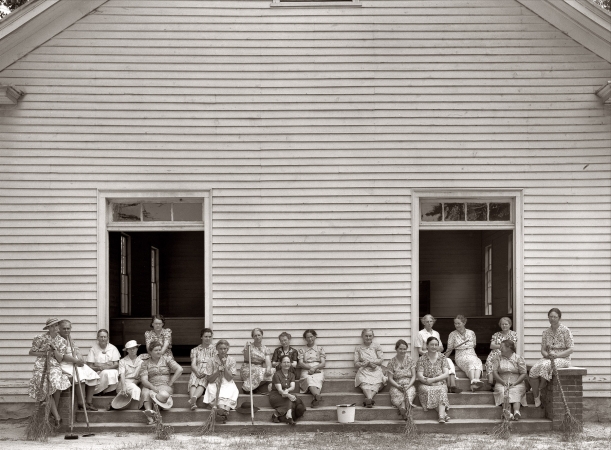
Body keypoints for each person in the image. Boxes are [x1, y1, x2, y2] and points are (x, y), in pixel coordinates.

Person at [28, 318, 71, 427]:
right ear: (48, 328)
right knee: (44, 385)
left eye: (56, 325)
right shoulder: (39, 338)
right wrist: (45, 352)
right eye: (52, 326)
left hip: (54, 365)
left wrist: (54, 349)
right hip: (41, 365)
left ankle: (52, 412)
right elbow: (31, 352)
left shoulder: (62, 341)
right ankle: (57, 417)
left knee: (56, 383)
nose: (54, 328)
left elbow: (60, 359)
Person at [528, 308, 574, 407]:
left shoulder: (565, 330)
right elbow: (543, 350)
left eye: (555, 317)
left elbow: (570, 349)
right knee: (533, 370)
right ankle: (536, 397)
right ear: (548, 317)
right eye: (550, 316)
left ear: (559, 318)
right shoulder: (546, 332)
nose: (552, 319)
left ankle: (540, 387)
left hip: (563, 359)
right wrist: (547, 355)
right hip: (548, 358)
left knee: (545, 365)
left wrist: (557, 355)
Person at [57, 319, 100, 411]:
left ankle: (89, 402)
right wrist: (76, 361)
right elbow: (61, 356)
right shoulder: (58, 340)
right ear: (59, 329)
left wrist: (80, 358)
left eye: (68, 328)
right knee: (79, 375)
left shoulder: (69, 338)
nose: (66, 330)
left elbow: (76, 350)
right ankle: (81, 402)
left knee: (91, 374)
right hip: (64, 364)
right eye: (64, 328)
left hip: (75, 362)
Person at [415, 314, 462, 393]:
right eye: (427, 322)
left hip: (437, 355)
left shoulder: (436, 333)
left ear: (433, 322)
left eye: (431, 321)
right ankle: (449, 386)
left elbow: (441, 348)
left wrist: (438, 350)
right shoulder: (420, 334)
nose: (429, 323)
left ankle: (452, 386)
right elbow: (419, 351)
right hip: (427, 357)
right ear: (423, 322)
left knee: (449, 361)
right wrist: (430, 354)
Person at [140, 340, 183, 425]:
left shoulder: (167, 359)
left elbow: (180, 369)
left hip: (165, 385)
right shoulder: (145, 363)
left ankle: (155, 413)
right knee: (145, 391)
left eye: (159, 349)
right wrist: (152, 387)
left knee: (161, 393)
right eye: (156, 350)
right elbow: (144, 380)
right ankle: (149, 413)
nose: (159, 352)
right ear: (150, 352)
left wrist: (171, 381)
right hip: (151, 385)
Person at [202, 339, 240, 423]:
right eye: (220, 349)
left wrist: (224, 366)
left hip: (227, 382)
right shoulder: (211, 360)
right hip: (215, 382)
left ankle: (222, 412)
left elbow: (229, 378)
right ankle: (224, 412)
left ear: (227, 349)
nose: (223, 351)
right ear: (217, 349)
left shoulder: (231, 360)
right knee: (216, 393)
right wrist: (218, 371)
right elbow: (209, 379)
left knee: (231, 392)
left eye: (225, 349)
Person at [417, 336, 451, 424]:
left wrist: (434, 380)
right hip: (426, 384)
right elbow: (420, 375)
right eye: (432, 344)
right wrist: (428, 382)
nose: (434, 347)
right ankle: (444, 414)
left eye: (436, 345)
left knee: (441, 390)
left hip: (440, 383)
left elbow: (446, 374)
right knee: (429, 390)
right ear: (427, 346)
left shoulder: (442, 357)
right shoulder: (422, 359)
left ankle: (441, 417)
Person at [446, 315, 483, 391]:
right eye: (455, 323)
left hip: (472, 354)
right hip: (460, 355)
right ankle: (473, 381)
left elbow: (474, 345)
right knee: (470, 362)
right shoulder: (452, 334)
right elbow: (449, 349)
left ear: (464, 323)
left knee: (477, 361)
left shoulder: (471, 333)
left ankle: (476, 381)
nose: (456, 325)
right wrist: (444, 358)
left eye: (458, 323)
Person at [492, 340, 527, 421]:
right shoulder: (497, 358)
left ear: (509, 348)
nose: (500, 349)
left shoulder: (518, 358)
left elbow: (523, 373)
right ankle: (507, 412)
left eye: (502, 347)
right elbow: (495, 372)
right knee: (502, 391)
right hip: (501, 381)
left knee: (516, 390)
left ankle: (516, 412)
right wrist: (502, 382)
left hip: (517, 381)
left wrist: (515, 383)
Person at [354, 328, 386, 408]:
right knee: (364, 382)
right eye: (366, 336)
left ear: (373, 336)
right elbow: (356, 363)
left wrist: (371, 362)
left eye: (370, 336)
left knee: (377, 382)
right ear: (362, 336)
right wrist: (363, 364)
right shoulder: (358, 348)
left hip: (375, 369)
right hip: (364, 370)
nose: (368, 338)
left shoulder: (377, 346)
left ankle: (368, 399)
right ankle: (370, 399)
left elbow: (381, 360)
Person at [270, 355, 306, 425]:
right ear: (280, 364)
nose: (286, 364)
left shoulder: (292, 375)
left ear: (290, 363)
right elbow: (280, 390)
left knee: (295, 399)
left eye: (288, 362)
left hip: (286, 395)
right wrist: (288, 395)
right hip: (276, 396)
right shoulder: (276, 375)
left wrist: (287, 391)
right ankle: (289, 415)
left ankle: (277, 414)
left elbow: (292, 387)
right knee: (292, 399)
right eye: (284, 362)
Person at [188, 327, 217, 410]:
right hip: (197, 369)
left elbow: (214, 363)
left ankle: (193, 400)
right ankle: (193, 402)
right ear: (201, 337)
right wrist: (196, 371)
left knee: (202, 382)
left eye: (209, 336)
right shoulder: (195, 350)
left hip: (208, 370)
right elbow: (193, 364)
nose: (208, 338)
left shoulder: (215, 350)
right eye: (205, 336)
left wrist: (205, 371)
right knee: (193, 380)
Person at [387, 339, 416, 420]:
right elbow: (390, 378)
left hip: (408, 384)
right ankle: (403, 409)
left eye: (404, 349)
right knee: (397, 394)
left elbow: (414, 376)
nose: (402, 351)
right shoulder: (391, 362)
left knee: (408, 394)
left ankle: (402, 408)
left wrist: (409, 385)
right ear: (396, 349)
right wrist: (397, 386)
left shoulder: (410, 360)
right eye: (400, 349)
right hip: (396, 385)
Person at [485, 317, 518, 389]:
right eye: (502, 324)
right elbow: (491, 346)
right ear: (500, 325)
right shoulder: (496, 334)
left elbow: (512, 347)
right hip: (494, 353)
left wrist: (499, 347)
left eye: (506, 324)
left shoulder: (513, 334)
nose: (504, 326)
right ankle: (491, 382)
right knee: (490, 361)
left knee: (498, 362)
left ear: (510, 325)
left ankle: (495, 382)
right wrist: (504, 346)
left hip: (507, 354)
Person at [86, 329, 121, 395]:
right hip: (97, 373)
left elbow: (116, 364)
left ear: (108, 338)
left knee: (114, 372)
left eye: (105, 337)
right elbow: (89, 366)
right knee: (106, 373)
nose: (103, 339)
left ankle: (108, 391)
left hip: (111, 370)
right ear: (97, 338)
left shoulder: (113, 348)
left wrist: (103, 366)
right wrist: (100, 368)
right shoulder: (93, 349)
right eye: (101, 337)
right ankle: (100, 391)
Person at [240, 328, 274, 394]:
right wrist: (247, 348)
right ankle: (247, 388)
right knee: (259, 371)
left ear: (262, 336)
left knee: (272, 371)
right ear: (252, 337)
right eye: (255, 335)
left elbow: (268, 361)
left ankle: (269, 389)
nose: (257, 337)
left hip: (259, 369)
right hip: (248, 368)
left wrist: (269, 368)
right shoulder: (249, 346)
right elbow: (246, 358)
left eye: (259, 335)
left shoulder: (265, 348)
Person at [298, 329, 326, 407]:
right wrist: (311, 368)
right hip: (306, 368)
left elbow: (323, 363)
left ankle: (316, 397)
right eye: (307, 337)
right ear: (305, 339)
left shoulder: (320, 349)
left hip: (318, 368)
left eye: (311, 337)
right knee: (308, 379)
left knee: (318, 379)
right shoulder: (302, 350)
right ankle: (317, 395)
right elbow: (300, 363)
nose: (310, 339)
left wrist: (315, 368)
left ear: (315, 336)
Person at [115, 340, 144, 410]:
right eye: (130, 349)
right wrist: (123, 387)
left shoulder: (141, 362)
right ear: (127, 350)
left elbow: (142, 376)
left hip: (135, 383)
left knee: (137, 389)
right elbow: (122, 375)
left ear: (137, 348)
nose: (132, 350)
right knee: (136, 390)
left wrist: (136, 381)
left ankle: (134, 408)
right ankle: (134, 410)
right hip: (124, 383)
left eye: (134, 348)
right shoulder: (123, 361)